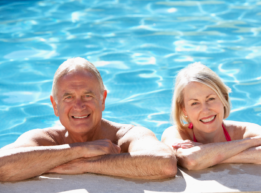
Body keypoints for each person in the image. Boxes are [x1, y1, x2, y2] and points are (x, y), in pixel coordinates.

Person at [0, 57, 177, 182]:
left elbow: (165, 164)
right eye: (68, 97)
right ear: (55, 105)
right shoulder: (44, 139)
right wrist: (79, 150)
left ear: (103, 100)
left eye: (87, 95)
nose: (79, 105)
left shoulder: (127, 135)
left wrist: (88, 164)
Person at [162, 62, 261, 170]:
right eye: (194, 103)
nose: (205, 109)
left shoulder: (245, 131)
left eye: (211, 99)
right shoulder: (175, 133)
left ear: (224, 99)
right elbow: (191, 160)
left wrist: (208, 156)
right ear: (184, 109)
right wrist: (251, 143)